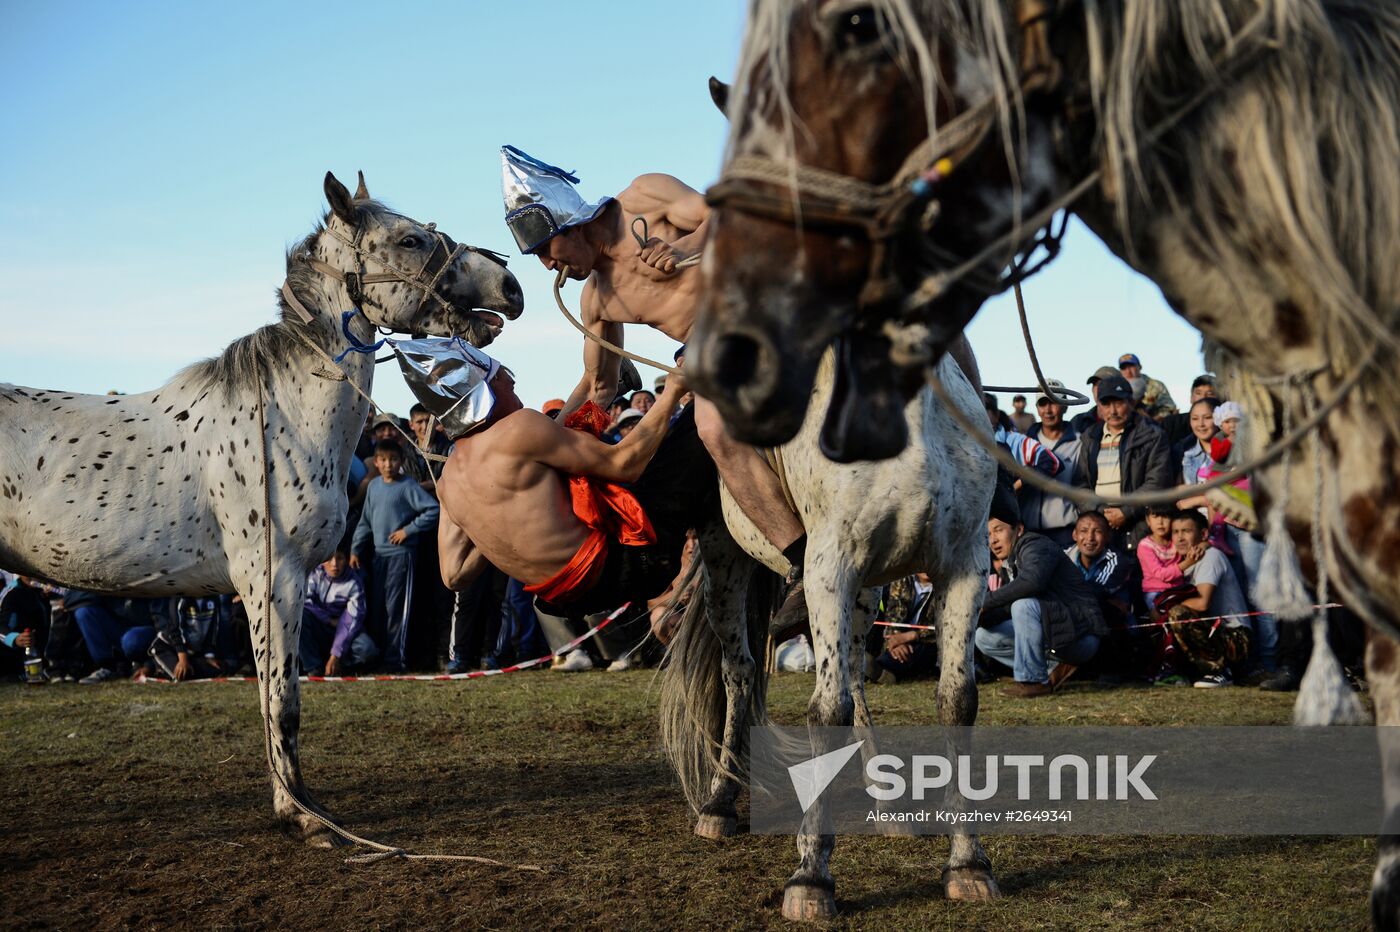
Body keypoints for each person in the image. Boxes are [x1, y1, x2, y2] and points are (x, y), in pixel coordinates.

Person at [500, 146, 973, 629]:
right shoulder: (596, 300)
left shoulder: (644, 194)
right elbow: (599, 385)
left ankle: (983, 459)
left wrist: (684, 247)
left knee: (914, 298)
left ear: (570, 225)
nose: (547, 267)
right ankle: (802, 564)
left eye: (544, 251)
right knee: (710, 426)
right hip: (712, 351)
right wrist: (547, 433)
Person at [429, 340, 713, 619]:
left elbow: (454, 574)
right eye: (504, 378)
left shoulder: (448, 482)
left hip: (568, 601)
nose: (513, 384)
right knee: (700, 414)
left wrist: (487, 517)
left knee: (562, 433)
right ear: (485, 390)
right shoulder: (517, 430)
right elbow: (625, 465)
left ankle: (603, 390)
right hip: (626, 566)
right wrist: (673, 391)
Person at [973, 502, 1106, 698]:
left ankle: (1033, 681)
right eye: (989, 534)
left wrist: (984, 601)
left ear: (1019, 530)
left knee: (1023, 605)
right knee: (983, 637)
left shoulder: (1036, 546)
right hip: (1054, 634)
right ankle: (1054, 669)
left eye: (998, 530)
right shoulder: (1009, 562)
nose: (993, 540)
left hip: (1081, 636)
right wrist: (978, 616)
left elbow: (1032, 582)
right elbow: (1007, 608)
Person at [351, 439, 440, 673]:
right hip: (378, 556)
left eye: (393, 460)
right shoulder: (374, 487)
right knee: (379, 608)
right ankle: (379, 657)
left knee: (397, 608)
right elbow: (365, 521)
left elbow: (433, 509)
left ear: (401, 462)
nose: (388, 464)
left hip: (402, 556)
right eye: (383, 460)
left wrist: (407, 531)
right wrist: (355, 549)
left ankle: (395, 660)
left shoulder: (408, 486)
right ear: (376, 462)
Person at [1072, 374, 1174, 551]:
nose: (1113, 411)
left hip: (1140, 527)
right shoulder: (1090, 437)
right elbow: (1080, 484)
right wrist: (1100, 511)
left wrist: (1126, 512)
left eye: (1118, 403)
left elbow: (1157, 482)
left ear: (1131, 402)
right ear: (1099, 407)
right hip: (1100, 527)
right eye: (1106, 404)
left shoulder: (1152, 435)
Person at [1159, 509, 1252, 687]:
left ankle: (1220, 671)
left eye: (1186, 531)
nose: (1179, 538)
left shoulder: (1210, 556)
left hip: (1236, 638)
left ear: (1203, 534)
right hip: (1215, 634)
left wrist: (1165, 608)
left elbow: (1202, 604)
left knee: (1177, 613)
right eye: (1175, 532)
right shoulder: (1184, 562)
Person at [301, 547, 378, 676]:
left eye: (340, 558)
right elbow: (305, 602)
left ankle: (339, 666)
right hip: (321, 626)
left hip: (346, 632)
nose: (334, 564)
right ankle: (313, 667)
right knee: (301, 617)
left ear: (346, 560)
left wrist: (335, 655)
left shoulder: (354, 582)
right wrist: (328, 620)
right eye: (330, 558)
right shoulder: (315, 574)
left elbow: (351, 621)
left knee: (367, 649)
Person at [1022, 394, 1082, 547]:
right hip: (1030, 532)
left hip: (1067, 532)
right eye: (1042, 404)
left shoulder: (1079, 442)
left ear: (1065, 407)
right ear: (1037, 408)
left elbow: (1085, 485)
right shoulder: (1024, 443)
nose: (1048, 410)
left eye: (1054, 403)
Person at [1137, 506, 1190, 612]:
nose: (1160, 522)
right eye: (1155, 517)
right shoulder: (1145, 546)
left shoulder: (1176, 540)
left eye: (1165, 517)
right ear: (1148, 520)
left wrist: (1203, 545)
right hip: (1155, 592)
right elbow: (1161, 574)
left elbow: (1196, 544)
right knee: (1163, 615)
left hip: (1178, 590)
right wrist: (1188, 563)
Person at [1161, 375, 1219, 448]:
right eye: (1198, 393)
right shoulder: (1171, 423)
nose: (1203, 397)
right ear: (1191, 397)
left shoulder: (1226, 425)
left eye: (1210, 394)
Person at [1118, 353, 1177, 420]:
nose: (1128, 371)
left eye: (1131, 366)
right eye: (1124, 368)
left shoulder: (1155, 385)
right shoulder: (1118, 388)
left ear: (1140, 367)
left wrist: (1152, 420)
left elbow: (1169, 408)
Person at [1070, 366, 1121, 434]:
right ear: (1092, 389)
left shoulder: (1134, 421)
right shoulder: (1079, 421)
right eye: (1095, 384)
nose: (1099, 388)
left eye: (1104, 383)